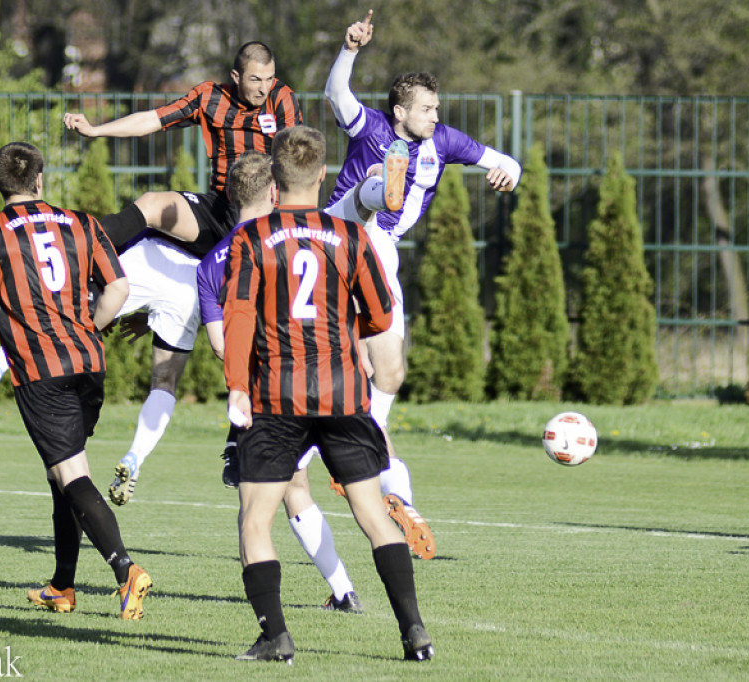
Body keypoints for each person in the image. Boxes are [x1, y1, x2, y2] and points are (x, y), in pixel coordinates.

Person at [222, 125, 434, 663]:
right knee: (371, 511)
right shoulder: (355, 238)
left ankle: (276, 638)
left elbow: (240, 316)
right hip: (343, 394)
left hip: (277, 395)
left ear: (274, 182)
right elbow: (382, 318)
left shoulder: (251, 238)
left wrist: (237, 388)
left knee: (254, 518)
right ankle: (414, 632)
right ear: (321, 175)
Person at [0, 142, 152, 620]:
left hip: (42, 372)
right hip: (88, 363)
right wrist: (94, 325)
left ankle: (126, 571)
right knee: (61, 475)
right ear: (40, 180)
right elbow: (120, 288)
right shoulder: (82, 223)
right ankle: (63, 587)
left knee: (71, 475)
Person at [322, 10, 522, 550]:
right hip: (344, 235)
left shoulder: (445, 142)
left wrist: (511, 171)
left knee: (388, 373)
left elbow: (501, 158)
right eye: (427, 109)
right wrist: (350, 49)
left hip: (379, 252)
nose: (435, 116)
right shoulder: (373, 126)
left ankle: (373, 460)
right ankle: (372, 189)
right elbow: (336, 93)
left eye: (437, 109)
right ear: (400, 110)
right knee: (363, 203)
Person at [197, 150, 362, 613]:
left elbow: (219, 342)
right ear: (275, 190)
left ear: (231, 197)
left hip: (263, 393)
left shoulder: (211, 261)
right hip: (325, 377)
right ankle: (344, 590)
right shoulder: (301, 239)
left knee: (269, 503)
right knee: (297, 488)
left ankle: (317, 603)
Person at [0, 231, 203, 508]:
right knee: (165, 381)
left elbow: (118, 242)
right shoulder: (225, 220)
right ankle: (135, 458)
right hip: (189, 283)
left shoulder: (161, 210)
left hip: (148, 257)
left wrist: (109, 305)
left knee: (59, 322)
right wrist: (150, 315)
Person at [63, 41, 303, 258]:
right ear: (236, 76)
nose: (264, 88)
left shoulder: (281, 97)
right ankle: (78, 254)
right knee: (151, 203)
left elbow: (291, 157)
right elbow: (153, 119)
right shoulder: (210, 97)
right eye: (255, 79)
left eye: (269, 78)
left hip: (265, 211)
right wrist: (95, 130)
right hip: (219, 209)